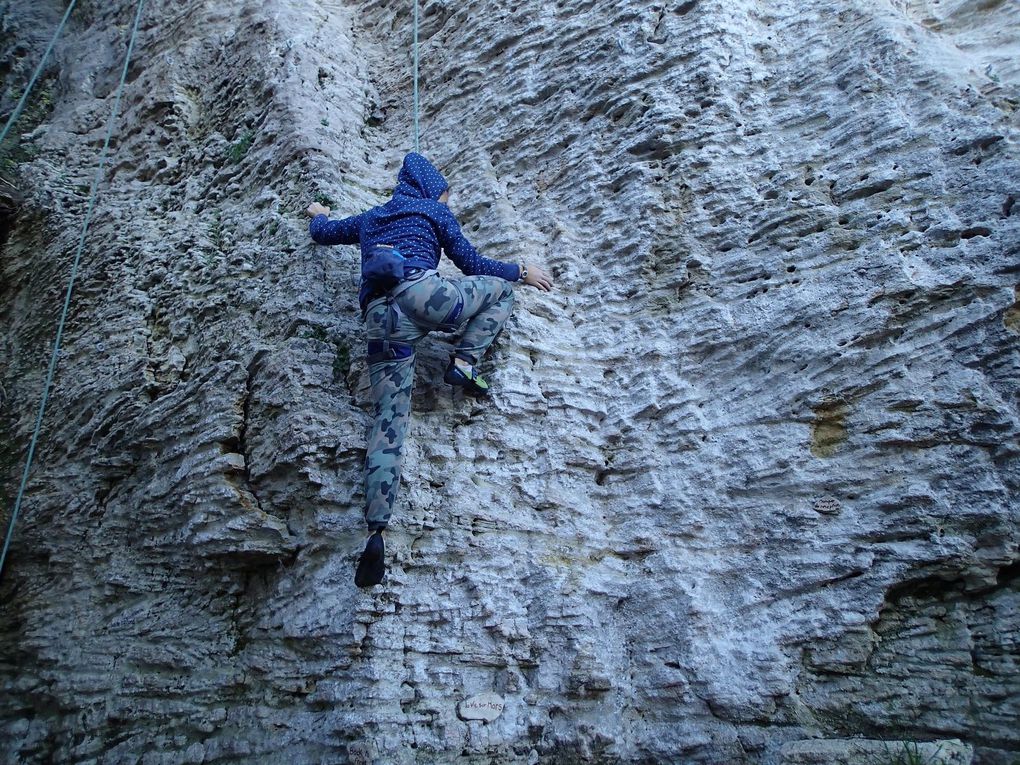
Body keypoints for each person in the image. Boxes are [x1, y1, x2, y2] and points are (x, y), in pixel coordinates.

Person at [306, 152, 553, 587]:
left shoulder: (372, 217)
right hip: (425, 296)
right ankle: (464, 361)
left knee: (388, 422)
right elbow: (473, 266)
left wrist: (318, 213)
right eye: (444, 193)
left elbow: (323, 234)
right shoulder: (433, 210)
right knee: (499, 293)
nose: (446, 200)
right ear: (430, 189)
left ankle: (376, 532)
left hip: (380, 320)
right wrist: (521, 271)